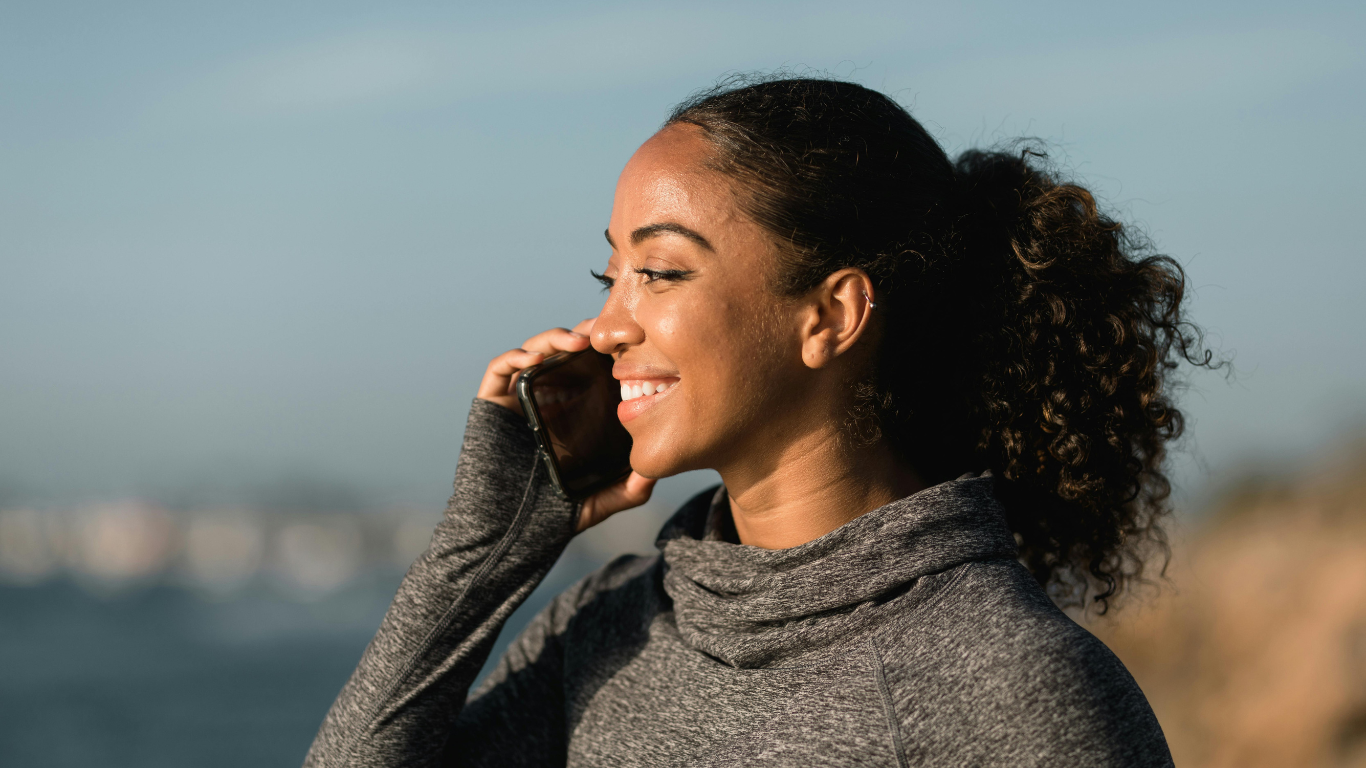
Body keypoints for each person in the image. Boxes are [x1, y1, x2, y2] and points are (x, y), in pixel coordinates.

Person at [305, 76, 1207, 767]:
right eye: (607, 276)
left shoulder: (1011, 686)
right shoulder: (610, 627)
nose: (607, 327)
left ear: (831, 317)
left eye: (658, 272)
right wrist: (482, 551)